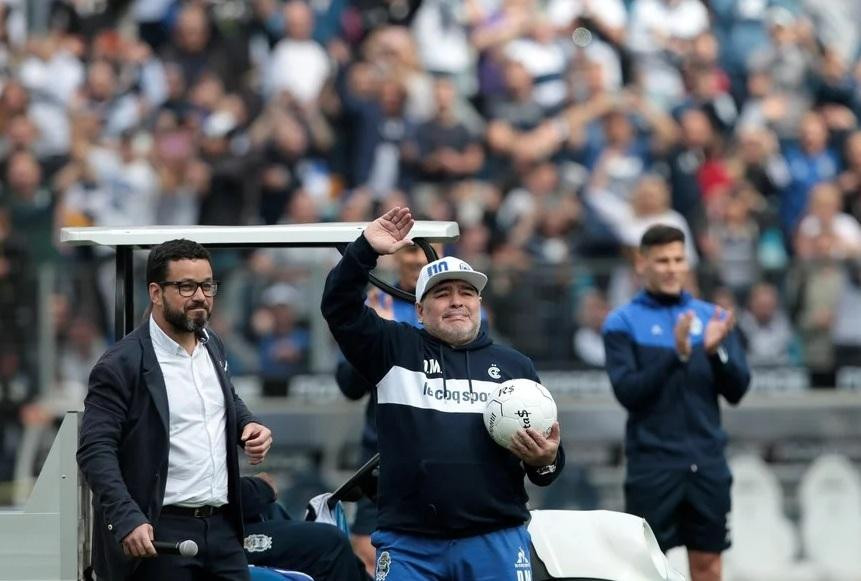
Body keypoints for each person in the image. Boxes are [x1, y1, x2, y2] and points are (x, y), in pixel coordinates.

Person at [321, 207, 564, 580]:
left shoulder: (516, 367)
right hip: (409, 546)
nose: (456, 301)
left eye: (467, 292)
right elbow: (339, 307)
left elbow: (548, 467)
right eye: (442, 294)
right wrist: (366, 248)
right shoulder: (392, 348)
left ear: (480, 304)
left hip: (495, 540)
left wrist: (544, 459)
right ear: (419, 310)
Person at [78, 239, 273, 580]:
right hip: (159, 534)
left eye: (207, 285)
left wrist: (248, 424)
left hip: (223, 530)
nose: (200, 295)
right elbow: (95, 450)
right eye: (186, 286)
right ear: (156, 292)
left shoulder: (212, 344)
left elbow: (224, 399)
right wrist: (127, 517)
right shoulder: (121, 364)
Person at [602, 225, 751, 581]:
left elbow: (738, 390)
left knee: (708, 566)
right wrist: (678, 354)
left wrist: (714, 354)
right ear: (642, 264)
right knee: (648, 568)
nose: (671, 267)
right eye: (662, 260)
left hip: (707, 461)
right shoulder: (621, 322)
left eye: (678, 259)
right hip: (652, 465)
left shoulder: (712, 317)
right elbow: (629, 393)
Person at [334, 243, 429, 576]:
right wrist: (374, 339)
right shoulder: (374, 306)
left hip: (437, 454)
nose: (417, 258)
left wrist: (392, 336)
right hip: (381, 456)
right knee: (367, 550)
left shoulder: (459, 308)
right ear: (395, 258)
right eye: (409, 252)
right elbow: (349, 385)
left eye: (425, 250)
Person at [240, 475, 371, 581]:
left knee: (273, 510)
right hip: (224, 536)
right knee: (330, 542)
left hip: (240, 516)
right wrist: (263, 486)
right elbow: (225, 492)